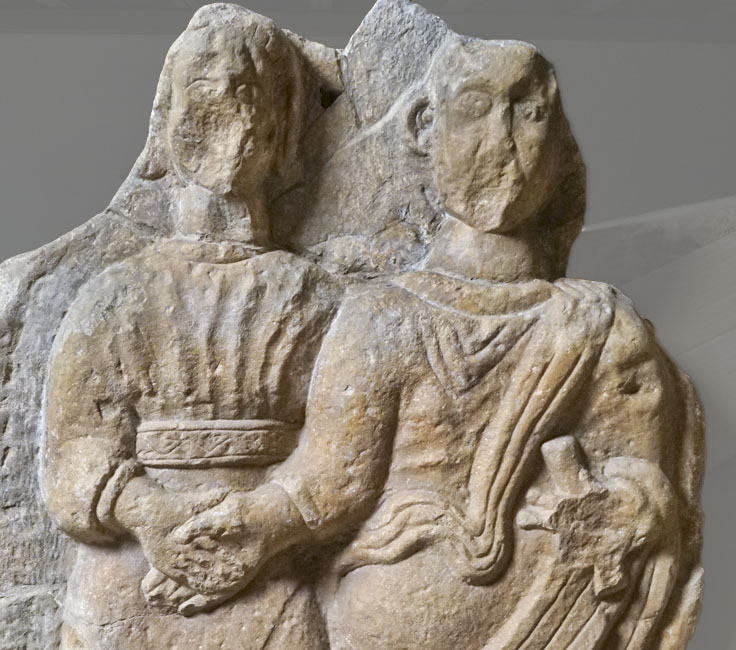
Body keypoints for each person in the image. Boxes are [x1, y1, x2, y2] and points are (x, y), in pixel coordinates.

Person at [168, 37, 703, 649]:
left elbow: (644, 473)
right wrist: (252, 524)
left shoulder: (599, 324)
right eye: (475, 107)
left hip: (558, 607)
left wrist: (625, 508)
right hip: (390, 618)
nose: (502, 138)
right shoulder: (382, 314)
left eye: (530, 113)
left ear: (559, 145)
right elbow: (327, 485)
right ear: (426, 127)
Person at [42, 5, 340, 648]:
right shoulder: (116, 295)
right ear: (166, 120)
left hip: (274, 572)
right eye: (202, 85)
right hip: (131, 578)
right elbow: (73, 451)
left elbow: (343, 454)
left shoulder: (318, 298)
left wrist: (264, 527)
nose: (227, 103)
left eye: (250, 90)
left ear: (285, 129)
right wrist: (149, 513)